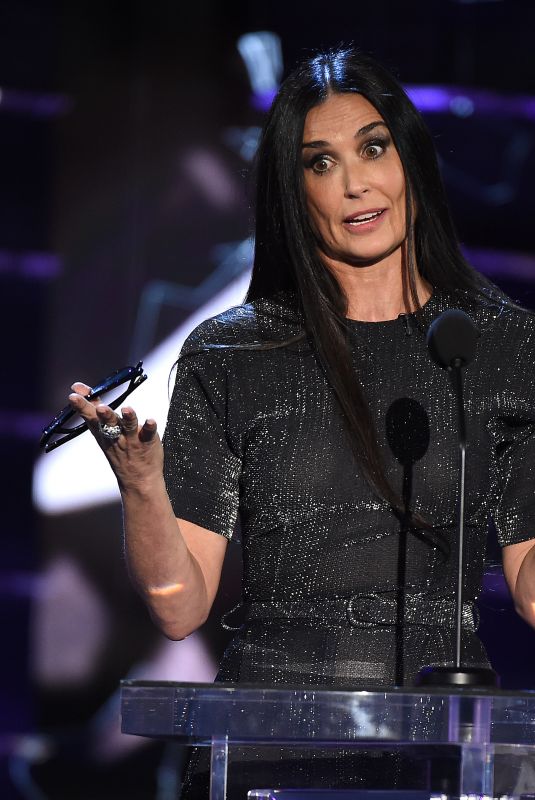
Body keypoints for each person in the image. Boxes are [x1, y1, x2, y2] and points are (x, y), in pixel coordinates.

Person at [69, 47, 535, 796]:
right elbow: (179, 607)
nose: (355, 183)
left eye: (372, 148)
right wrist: (143, 488)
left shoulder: (502, 347)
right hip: (261, 749)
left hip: (442, 753)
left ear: (407, 157)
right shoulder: (233, 351)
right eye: (320, 163)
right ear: (292, 190)